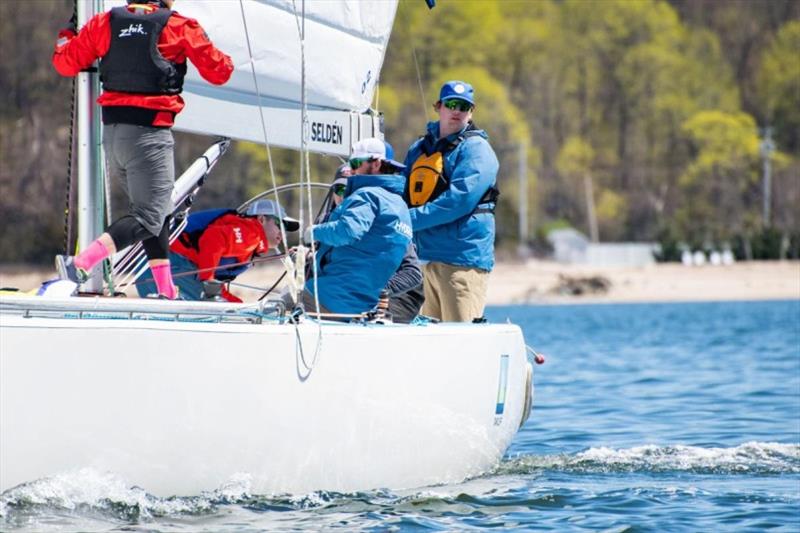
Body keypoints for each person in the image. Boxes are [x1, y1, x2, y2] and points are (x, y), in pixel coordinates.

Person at [51, 0, 234, 299]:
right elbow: (220, 72)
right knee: (150, 216)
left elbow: (65, 63)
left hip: (113, 135)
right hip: (149, 136)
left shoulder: (104, 23)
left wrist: (66, 36)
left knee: (154, 212)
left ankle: (166, 289)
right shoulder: (179, 26)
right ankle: (81, 264)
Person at [403, 80, 499, 322]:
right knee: (429, 344)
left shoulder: (477, 149)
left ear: (471, 112)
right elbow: (400, 191)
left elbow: (459, 201)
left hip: (461, 261)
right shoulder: (418, 149)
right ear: (439, 107)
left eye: (464, 106)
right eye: (451, 104)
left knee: (460, 339)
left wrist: (407, 220)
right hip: (423, 260)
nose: (457, 111)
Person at [300, 138, 412, 317]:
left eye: (356, 162)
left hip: (327, 297)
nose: (351, 169)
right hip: (362, 307)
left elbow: (348, 231)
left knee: (275, 307)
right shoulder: (401, 206)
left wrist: (313, 232)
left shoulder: (367, 195)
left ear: (376, 164)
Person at [321, 160, 424, 323]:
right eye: (340, 189)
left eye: (349, 190)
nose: (343, 195)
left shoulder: (385, 221)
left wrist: (374, 288)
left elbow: (412, 273)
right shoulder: (328, 223)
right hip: (343, 295)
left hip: (393, 300)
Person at [137, 200, 299, 302]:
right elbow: (213, 239)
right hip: (171, 265)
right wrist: (208, 281)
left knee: (235, 308)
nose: (283, 233)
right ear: (261, 219)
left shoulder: (248, 240)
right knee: (229, 313)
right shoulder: (252, 231)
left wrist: (234, 303)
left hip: (154, 268)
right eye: (280, 225)